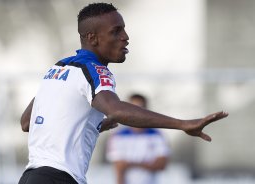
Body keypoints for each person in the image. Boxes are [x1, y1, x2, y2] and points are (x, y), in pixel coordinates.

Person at [18, 3, 228, 184]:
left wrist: (93, 126)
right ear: (92, 38)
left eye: (124, 30)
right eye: (116, 31)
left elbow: (27, 122)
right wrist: (182, 124)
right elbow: (116, 110)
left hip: (30, 177)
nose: (125, 37)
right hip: (58, 179)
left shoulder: (57, 69)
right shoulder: (94, 70)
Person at [106, 94, 170, 184]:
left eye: (139, 108)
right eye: (133, 108)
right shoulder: (118, 136)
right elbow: (119, 168)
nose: (136, 113)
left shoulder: (157, 135)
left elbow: (161, 164)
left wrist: (131, 164)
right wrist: (147, 164)